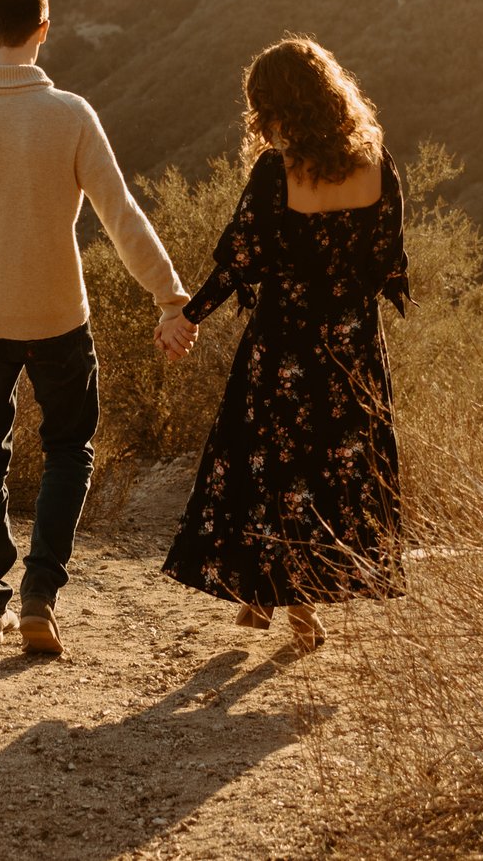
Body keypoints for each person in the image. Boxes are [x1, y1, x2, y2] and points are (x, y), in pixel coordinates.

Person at [0, 0, 192, 657]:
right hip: (59, 319)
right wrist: (170, 296)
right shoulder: (70, 114)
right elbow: (121, 216)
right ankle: (40, 594)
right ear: (44, 30)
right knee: (69, 449)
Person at [156, 36, 409, 653]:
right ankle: (276, 597)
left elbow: (240, 262)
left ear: (273, 108)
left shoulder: (278, 171)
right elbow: (387, 262)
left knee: (268, 466)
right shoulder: (377, 162)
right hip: (351, 351)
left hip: (284, 344)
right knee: (331, 473)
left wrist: (185, 318)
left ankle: (284, 603)